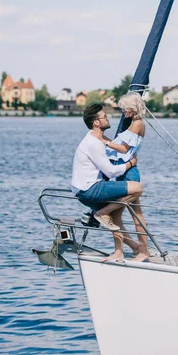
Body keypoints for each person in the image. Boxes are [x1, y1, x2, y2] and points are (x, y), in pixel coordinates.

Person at [71, 104, 146, 262]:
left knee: (115, 215)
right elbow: (110, 171)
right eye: (104, 116)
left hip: (83, 189)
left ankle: (127, 250)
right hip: (90, 189)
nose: (108, 118)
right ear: (96, 122)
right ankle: (102, 213)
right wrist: (130, 164)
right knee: (137, 188)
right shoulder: (93, 143)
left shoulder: (95, 139)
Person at [100, 92, 149, 262]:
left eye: (124, 108)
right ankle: (121, 250)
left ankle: (143, 251)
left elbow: (123, 149)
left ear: (132, 108)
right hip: (122, 172)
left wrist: (103, 141)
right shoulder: (132, 124)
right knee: (116, 217)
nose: (123, 111)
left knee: (136, 214)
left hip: (130, 173)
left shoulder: (138, 124)